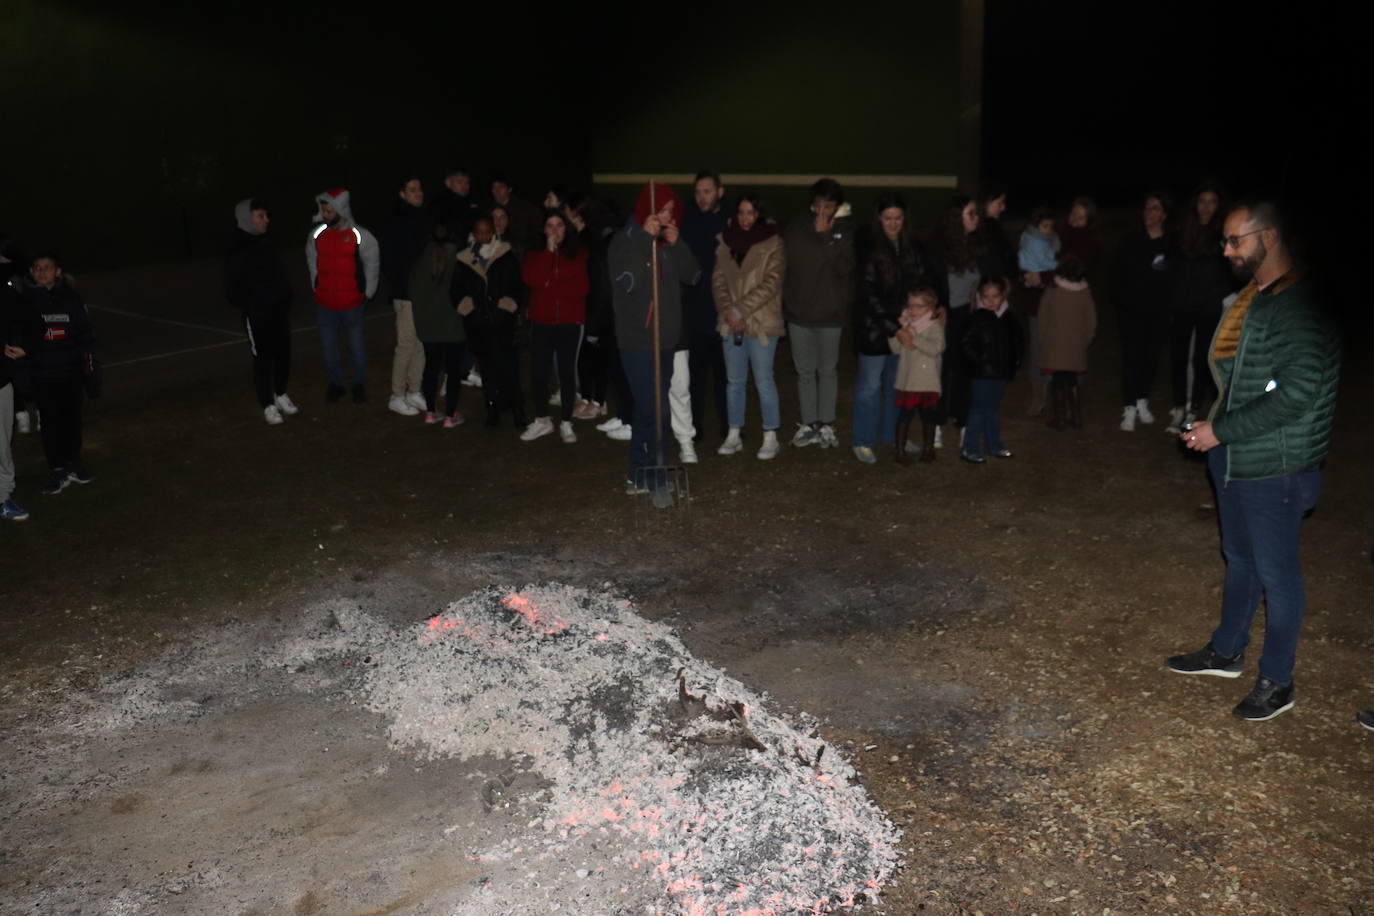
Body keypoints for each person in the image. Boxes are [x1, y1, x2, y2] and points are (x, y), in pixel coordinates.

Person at [1168, 198, 1341, 721]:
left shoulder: (1302, 303)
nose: (1225, 250)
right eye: (1224, 240)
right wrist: (1217, 429)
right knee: (1240, 558)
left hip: (1278, 465)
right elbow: (1245, 378)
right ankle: (1227, 651)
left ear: (1268, 238)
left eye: (1235, 240)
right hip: (1239, 457)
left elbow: (1296, 394)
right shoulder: (1261, 296)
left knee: (1277, 573)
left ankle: (1278, 680)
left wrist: (1218, 430)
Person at [608, 181, 699, 495]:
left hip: (666, 338)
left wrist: (678, 244)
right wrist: (643, 241)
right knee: (654, 410)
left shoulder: (666, 243)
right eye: (662, 210)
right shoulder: (625, 240)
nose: (668, 217)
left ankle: (638, 472)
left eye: (671, 211)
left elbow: (693, 274)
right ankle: (650, 470)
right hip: (638, 339)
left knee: (651, 409)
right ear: (647, 211)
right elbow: (627, 282)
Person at [854, 194, 934, 464]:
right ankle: (863, 441)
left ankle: (890, 434)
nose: (893, 223)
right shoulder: (869, 248)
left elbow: (920, 283)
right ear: (879, 219)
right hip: (875, 330)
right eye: (888, 218)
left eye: (898, 218)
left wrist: (917, 316)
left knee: (895, 385)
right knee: (869, 387)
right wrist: (892, 327)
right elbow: (868, 295)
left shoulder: (911, 247)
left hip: (906, 325)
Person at [782, 177, 854, 449]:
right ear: (812, 203)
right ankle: (809, 424)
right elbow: (786, 265)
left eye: (830, 206)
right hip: (799, 313)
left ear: (837, 207)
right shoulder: (797, 227)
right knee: (804, 372)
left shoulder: (845, 230)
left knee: (827, 371)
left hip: (830, 315)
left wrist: (826, 235)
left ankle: (826, 424)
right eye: (819, 205)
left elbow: (844, 267)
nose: (824, 211)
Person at [713, 194, 786, 460]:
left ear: (759, 215)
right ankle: (734, 432)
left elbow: (771, 283)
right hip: (731, 324)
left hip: (761, 322)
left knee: (764, 380)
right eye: (742, 212)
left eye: (751, 213)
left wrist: (740, 309)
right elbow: (718, 282)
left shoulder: (773, 243)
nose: (746, 218)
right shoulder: (724, 242)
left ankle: (770, 435)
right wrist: (729, 312)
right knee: (734, 381)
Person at [20, 253, 95, 494]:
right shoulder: (24, 300)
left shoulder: (71, 298)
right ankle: (57, 469)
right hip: (43, 375)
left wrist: (88, 368)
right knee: (50, 423)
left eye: (47, 267)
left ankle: (74, 463)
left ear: (58, 272)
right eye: (37, 268)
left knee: (72, 420)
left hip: (70, 372)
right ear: (31, 271)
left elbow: (84, 334)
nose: (42, 272)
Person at [225, 198, 297, 425]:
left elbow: (279, 274)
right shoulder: (237, 249)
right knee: (263, 359)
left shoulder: (267, 242)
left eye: (266, 215)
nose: (266, 220)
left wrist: (285, 297)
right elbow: (231, 289)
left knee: (283, 353)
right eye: (261, 216)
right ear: (248, 219)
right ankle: (267, 404)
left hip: (278, 311)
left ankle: (281, 393)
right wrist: (254, 303)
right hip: (257, 315)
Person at [1167, 182, 1232, 433]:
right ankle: (1178, 407)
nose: (1206, 206)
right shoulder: (1182, 230)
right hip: (1182, 304)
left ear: (1218, 205)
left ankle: (1194, 408)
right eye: (1202, 200)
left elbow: (1228, 270)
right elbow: (1172, 266)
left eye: (1212, 201)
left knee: (1202, 359)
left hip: (1208, 306)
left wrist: (1224, 294)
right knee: (1179, 358)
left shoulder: (1222, 234)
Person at [520, 210, 589, 444]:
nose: (555, 230)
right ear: (543, 229)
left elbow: (581, 286)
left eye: (559, 225)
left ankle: (567, 421)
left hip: (569, 323)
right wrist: (549, 256)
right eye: (549, 225)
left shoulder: (578, 253)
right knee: (538, 373)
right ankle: (542, 420)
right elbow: (534, 280)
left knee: (567, 374)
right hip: (542, 322)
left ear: (566, 229)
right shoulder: (534, 254)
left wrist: (552, 281)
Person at [307, 188, 379, 404]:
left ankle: (358, 385)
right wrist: (316, 285)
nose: (326, 215)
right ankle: (336, 385)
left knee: (356, 348)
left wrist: (368, 291)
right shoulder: (317, 234)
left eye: (330, 211)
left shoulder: (360, 235)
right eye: (324, 211)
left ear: (341, 210)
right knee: (329, 350)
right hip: (326, 304)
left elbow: (372, 262)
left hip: (352, 304)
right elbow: (312, 261)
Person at [1110, 191, 1173, 431]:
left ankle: (1142, 401)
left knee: (1150, 358)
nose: (1149, 213)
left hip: (1157, 313)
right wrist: (1121, 302)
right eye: (1147, 207)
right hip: (1131, 312)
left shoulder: (1170, 243)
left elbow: (1173, 278)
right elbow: (1116, 275)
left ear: (1164, 214)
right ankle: (1129, 407)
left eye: (1155, 208)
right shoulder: (1131, 240)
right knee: (1131, 357)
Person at [453, 216, 525, 428]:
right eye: (479, 232)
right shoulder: (465, 259)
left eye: (487, 231)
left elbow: (516, 286)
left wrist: (506, 306)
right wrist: (468, 308)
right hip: (479, 325)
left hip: (502, 324)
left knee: (509, 369)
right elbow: (456, 289)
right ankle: (492, 410)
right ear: (474, 234)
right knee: (488, 371)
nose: (483, 236)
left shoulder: (505, 255)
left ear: (493, 232)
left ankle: (517, 409)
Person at [680, 171, 730, 446]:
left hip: (723, 312)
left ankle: (730, 427)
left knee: (726, 377)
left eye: (707, 191)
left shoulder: (730, 222)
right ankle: (694, 427)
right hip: (694, 313)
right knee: (694, 377)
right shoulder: (686, 221)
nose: (702, 197)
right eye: (698, 191)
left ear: (720, 192)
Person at [381, 175, 433, 416]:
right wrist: (403, 290)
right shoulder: (397, 221)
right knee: (406, 344)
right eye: (412, 190)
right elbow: (395, 262)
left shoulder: (421, 218)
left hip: (423, 293)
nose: (418, 193)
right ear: (402, 194)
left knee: (421, 343)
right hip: (407, 293)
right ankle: (397, 395)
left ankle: (414, 390)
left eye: (419, 189)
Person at [959, 275, 1023, 463]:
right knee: (978, 410)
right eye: (986, 296)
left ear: (1003, 296)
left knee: (992, 410)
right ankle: (969, 448)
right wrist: (980, 361)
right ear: (980, 296)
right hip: (982, 374)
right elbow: (965, 344)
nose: (991, 300)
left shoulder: (1008, 318)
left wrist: (1014, 362)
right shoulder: (976, 318)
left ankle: (994, 445)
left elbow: (1017, 342)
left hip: (1000, 373)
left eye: (995, 296)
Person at [410, 225, 466, 427]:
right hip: (453, 326)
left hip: (429, 326)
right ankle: (451, 414)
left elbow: (414, 291)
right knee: (452, 370)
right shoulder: (458, 258)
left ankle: (431, 411)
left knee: (432, 368)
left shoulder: (422, 259)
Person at [1036, 256, 1096, 430]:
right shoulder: (1085, 292)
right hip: (1076, 344)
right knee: (1071, 379)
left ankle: (1061, 418)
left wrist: (1043, 338)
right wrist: (1086, 338)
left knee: (1058, 379)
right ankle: (1076, 417)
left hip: (1054, 343)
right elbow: (1091, 319)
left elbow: (1043, 316)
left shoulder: (1052, 290)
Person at [1, 249, 39, 520]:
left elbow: (30, 321)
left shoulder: (5, 293)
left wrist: (22, 345)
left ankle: (3, 496)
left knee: (1, 445)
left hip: (0, 381)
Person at [890, 286, 945, 465]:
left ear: (929, 308)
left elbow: (936, 348)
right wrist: (899, 333)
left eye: (918, 306)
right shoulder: (906, 326)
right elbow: (894, 348)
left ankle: (928, 449)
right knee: (904, 415)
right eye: (910, 305)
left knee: (928, 416)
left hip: (928, 382)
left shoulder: (934, 327)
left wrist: (914, 337)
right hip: (909, 382)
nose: (912, 310)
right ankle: (899, 450)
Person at [489, 174, 543, 253]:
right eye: (494, 187)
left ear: (509, 189)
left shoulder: (525, 209)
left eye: (501, 187)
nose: (497, 191)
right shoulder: (489, 210)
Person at [976, 182, 1016, 284]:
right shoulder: (986, 229)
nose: (1003, 208)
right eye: (1000, 203)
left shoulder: (992, 227)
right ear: (986, 203)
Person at [434, 167, 481, 243]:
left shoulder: (473, 203)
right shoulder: (439, 204)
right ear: (448, 183)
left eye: (467, 182)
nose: (464, 185)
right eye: (460, 181)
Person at [1059, 196, 1102, 270]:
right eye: (1073, 214)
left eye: (1081, 218)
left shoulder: (1091, 241)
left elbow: (1073, 267)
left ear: (1089, 221)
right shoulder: (1061, 231)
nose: (1075, 219)